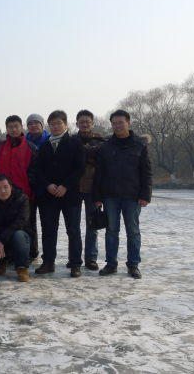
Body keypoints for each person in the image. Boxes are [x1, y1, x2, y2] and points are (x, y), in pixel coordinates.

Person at [93, 109, 152, 280]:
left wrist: (146, 195)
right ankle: (111, 264)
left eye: (121, 122)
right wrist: (97, 197)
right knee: (111, 231)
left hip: (132, 196)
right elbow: (99, 173)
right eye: (114, 123)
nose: (117, 126)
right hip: (110, 196)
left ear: (128, 123)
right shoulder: (106, 147)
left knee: (133, 231)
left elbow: (146, 172)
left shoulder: (140, 145)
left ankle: (133, 264)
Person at [34, 110, 86, 277]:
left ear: (65, 124)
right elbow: (38, 169)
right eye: (52, 124)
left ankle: (75, 264)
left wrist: (65, 186)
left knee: (73, 230)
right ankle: (48, 262)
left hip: (71, 195)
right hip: (48, 196)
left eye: (59, 123)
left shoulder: (75, 144)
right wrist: (48, 185)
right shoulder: (44, 146)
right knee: (49, 230)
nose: (55, 126)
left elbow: (80, 168)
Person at [0, 115, 38, 262]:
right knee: (6, 223)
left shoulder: (29, 146)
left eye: (16, 126)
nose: (14, 129)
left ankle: (32, 254)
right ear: (6, 128)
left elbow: (35, 169)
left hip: (25, 193)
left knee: (29, 224)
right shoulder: (1, 147)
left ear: (21, 127)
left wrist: (29, 182)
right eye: (10, 127)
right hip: (3, 194)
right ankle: (9, 254)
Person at [0, 174, 32, 282]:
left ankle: (21, 267)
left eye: (5, 187)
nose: (3, 191)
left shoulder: (22, 198)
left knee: (19, 235)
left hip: (18, 239)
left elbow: (20, 222)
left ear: (10, 186)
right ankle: (2, 262)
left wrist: (2, 240)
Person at [75, 110, 106, 271]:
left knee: (92, 225)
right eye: (81, 122)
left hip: (93, 189)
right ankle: (74, 258)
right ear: (76, 124)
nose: (84, 124)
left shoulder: (100, 140)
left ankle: (91, 258)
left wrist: (78, 152)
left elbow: (100, 157)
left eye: (87, 121)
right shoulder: (71, 140)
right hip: (73, 188)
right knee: (73, 227)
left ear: (92, 123)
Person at [24, 113, 50, 264]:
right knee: (29, 224)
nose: (33, 126)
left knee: (47, 225)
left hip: (46, 189)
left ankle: (49, 257)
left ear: (42, 124)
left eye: (36, 123)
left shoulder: (50, 140)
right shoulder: (24, 142)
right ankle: (32, 253)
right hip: (30, 189)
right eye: (30, 123)